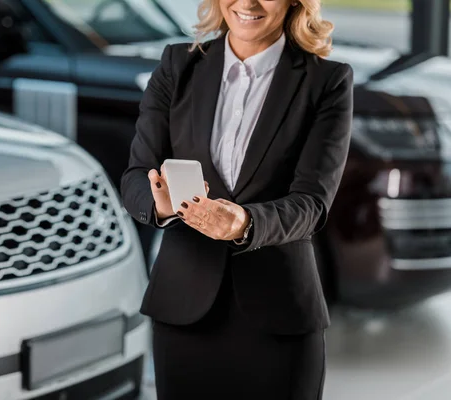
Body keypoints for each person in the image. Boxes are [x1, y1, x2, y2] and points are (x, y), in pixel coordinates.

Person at [120, 0, 353, 398]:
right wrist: (159, 204)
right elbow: (136, 177)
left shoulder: (326, 81)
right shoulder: (178, 65)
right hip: (183, 308)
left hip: (280, 312)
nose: (247, 3)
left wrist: (244, 224)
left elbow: (312, 203)